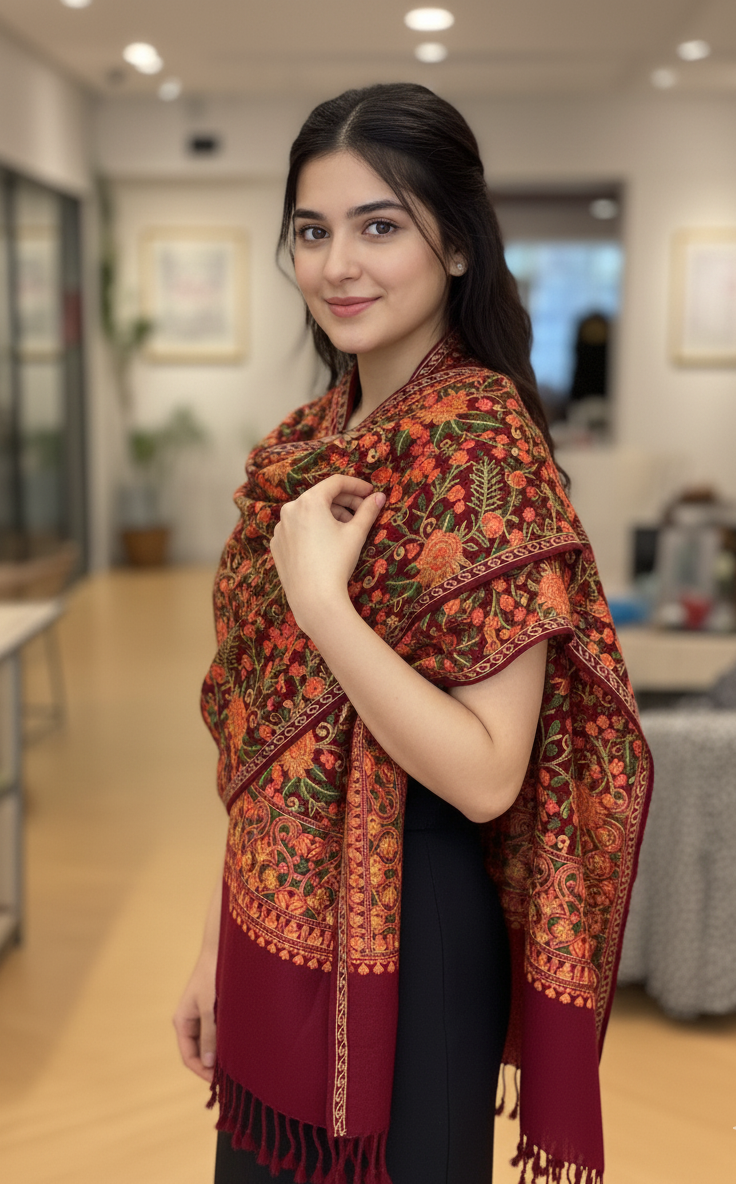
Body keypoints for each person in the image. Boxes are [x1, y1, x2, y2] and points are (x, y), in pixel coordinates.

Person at [174, 84, 651, 1185]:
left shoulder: (487, 456)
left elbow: (489, 777)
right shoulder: (298, 448)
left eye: (378, 225)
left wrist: (323, 607)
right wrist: (214, 947)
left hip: (415, 928)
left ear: (455, 246)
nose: (339, 263)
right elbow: (263, 743)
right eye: (312, 230)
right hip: (271, 915)